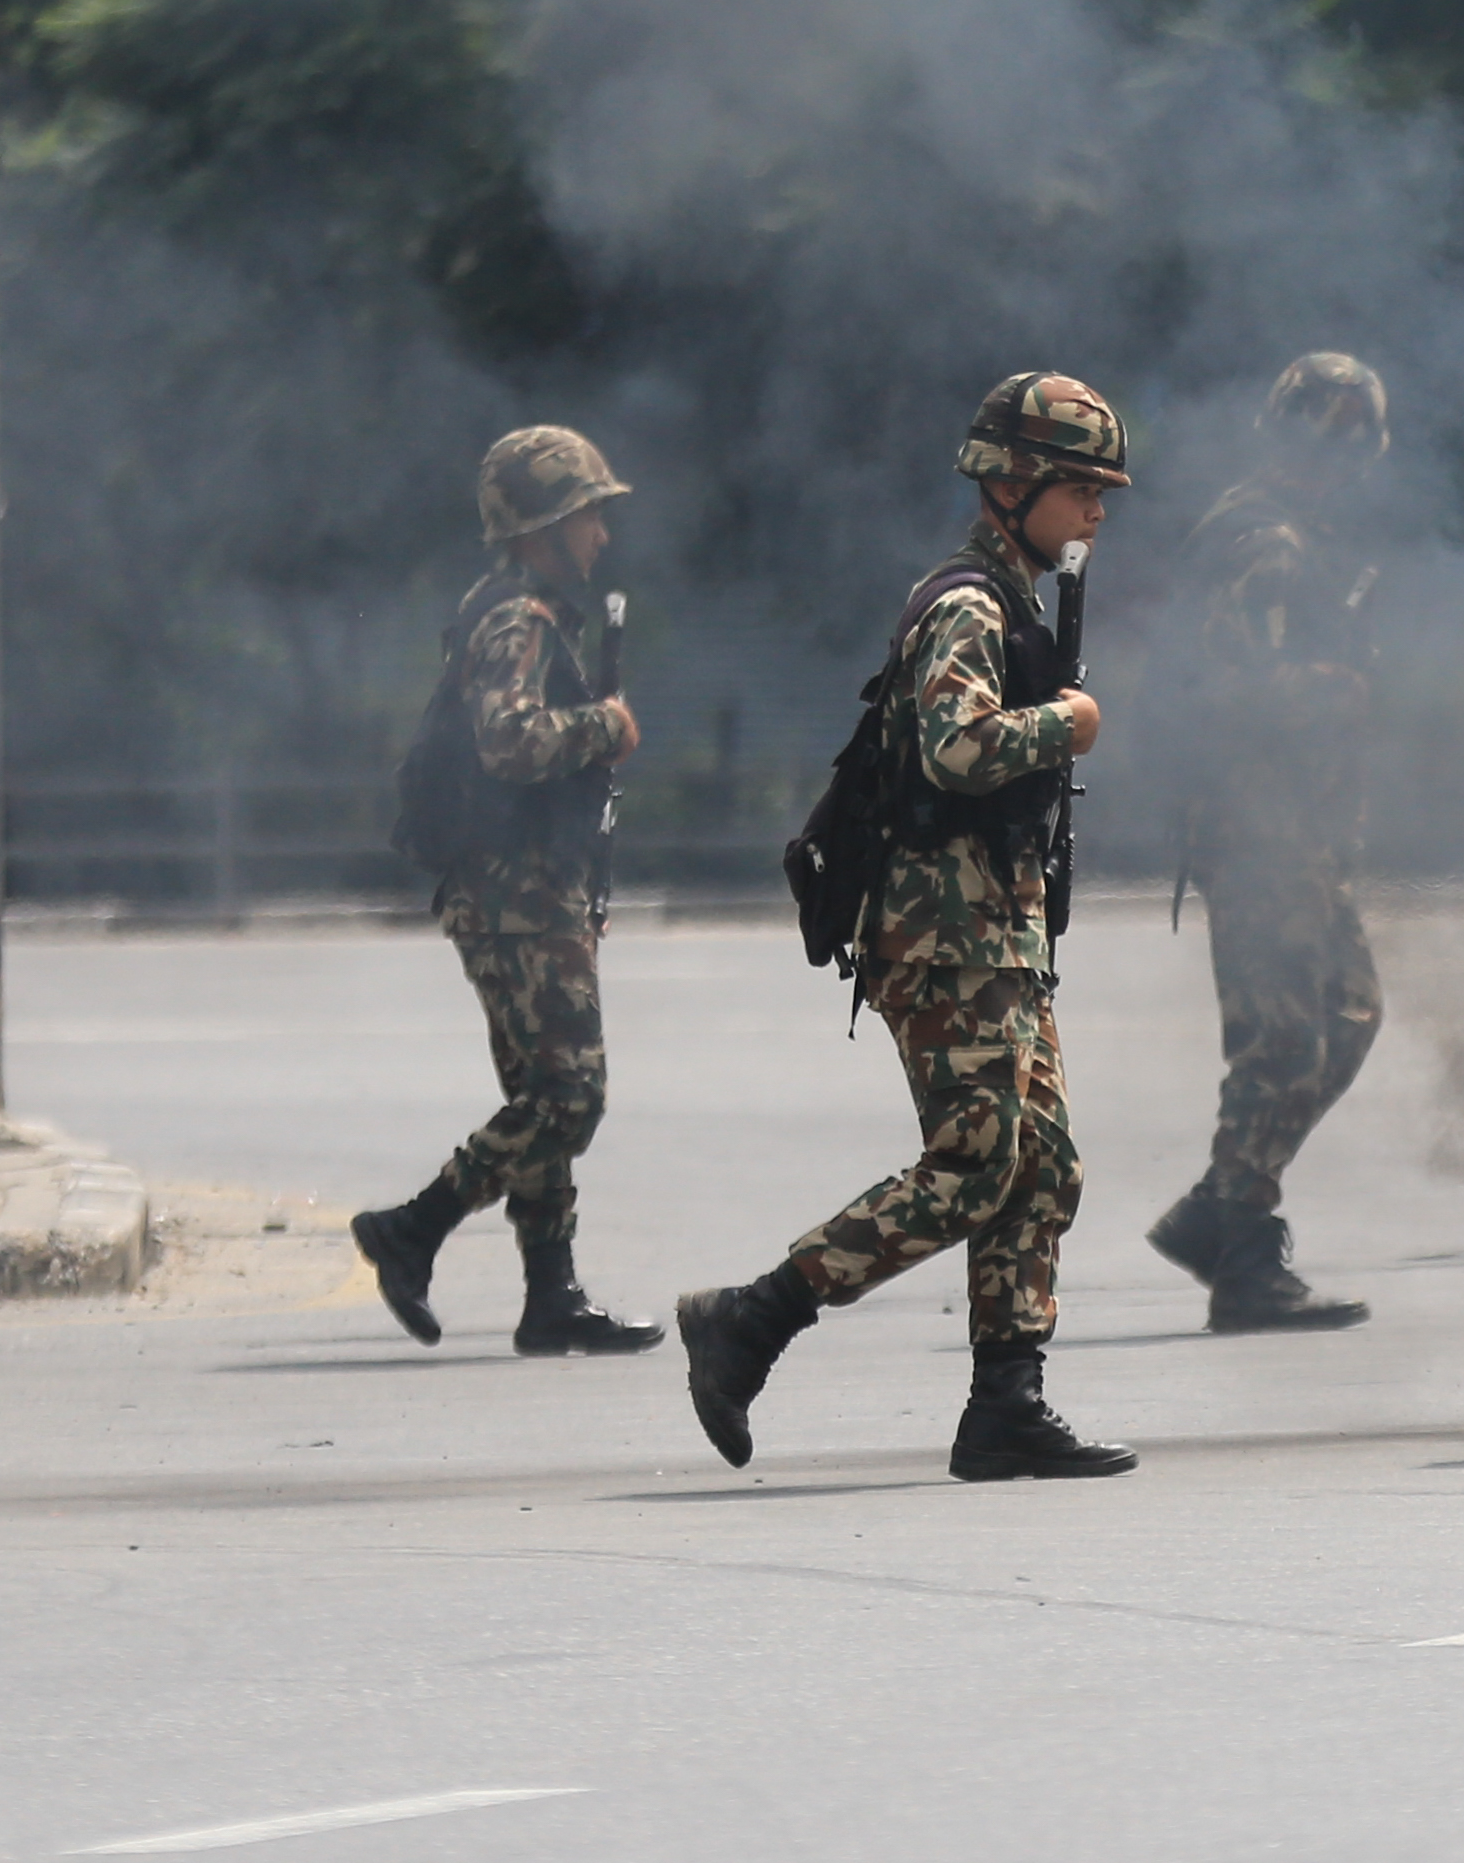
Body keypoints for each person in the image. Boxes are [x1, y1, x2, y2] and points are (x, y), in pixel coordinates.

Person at [676, 373, 1138, 1481]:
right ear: (1012, 484)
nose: (1096, 510)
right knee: (976, 1163)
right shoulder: (967, 606)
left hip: (994, 931)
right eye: (1078, 488)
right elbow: (958, 747)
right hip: (942, 932)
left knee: (1042, 1166)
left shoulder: (1015, 601)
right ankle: (752, 1318)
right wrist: (1063, 724)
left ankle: (1006, 1406)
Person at [350, 426, 663, 1358]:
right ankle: (414, 1227)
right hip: (512, 889)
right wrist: (604, 726)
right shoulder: (516, 620)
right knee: (569, 1095)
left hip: (523, 884)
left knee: (539, 1089)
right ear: (544, 526)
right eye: (588, 515)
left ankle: (550, 1292)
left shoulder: (518, 611)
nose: (601, 534)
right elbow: (509, 742)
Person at [1144, 352, 1386, 1332]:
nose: (1332, 459)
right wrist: (1337, 689)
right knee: (1284, 1039)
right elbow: (1222, 688)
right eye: (1317, 438)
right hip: (1256, 831)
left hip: (1300, 834)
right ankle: (1241, 1254)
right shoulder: (1263, 540)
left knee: (1348, 1016)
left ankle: (1217, 1207)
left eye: (1347, 443)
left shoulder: (1306, 540)